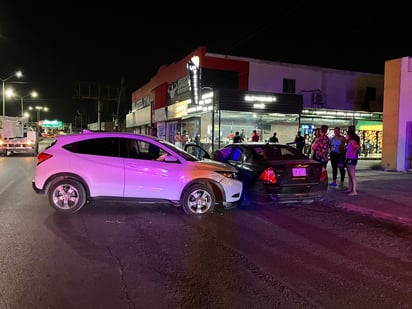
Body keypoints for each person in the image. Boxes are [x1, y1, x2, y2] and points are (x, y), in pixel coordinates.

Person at [344, 129, 360, 196]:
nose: (345, 136)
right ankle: (350, 188)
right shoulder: (349, 141)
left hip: (352, 159)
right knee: (350, 175)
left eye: (346, 134)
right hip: (349, 159)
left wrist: (353, 153)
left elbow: (357, 147)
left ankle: (354, 191)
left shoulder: (352, 141)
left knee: (352, 175)